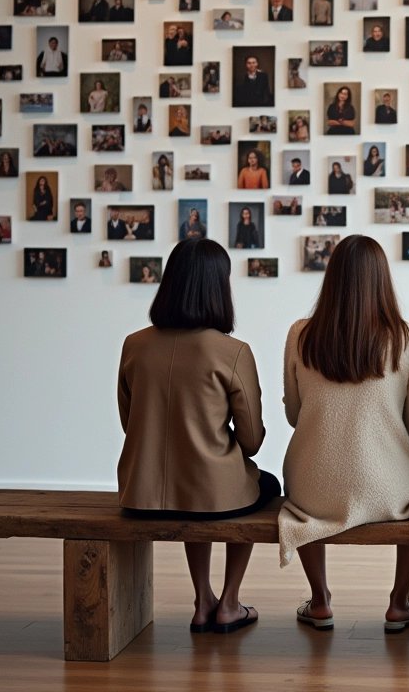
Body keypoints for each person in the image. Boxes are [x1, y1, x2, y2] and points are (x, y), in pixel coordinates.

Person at [117, 238, 280, 634]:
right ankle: (229, 602)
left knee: (199, 495)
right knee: (262, 485)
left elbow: (129, 422)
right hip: (212, 496)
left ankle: (201, 597)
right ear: (219, 288)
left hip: (140, 495)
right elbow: (252, 441)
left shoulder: (134, 344)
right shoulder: (232, 351)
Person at [280, 235, 409, 630]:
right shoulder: (405, 338)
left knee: (308, 481)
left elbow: (293, 416)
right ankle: (399, 602)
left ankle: (319, 601)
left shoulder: (300, 335)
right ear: (381, 280)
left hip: (312, 486)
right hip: (388, 488)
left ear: (331, 280)